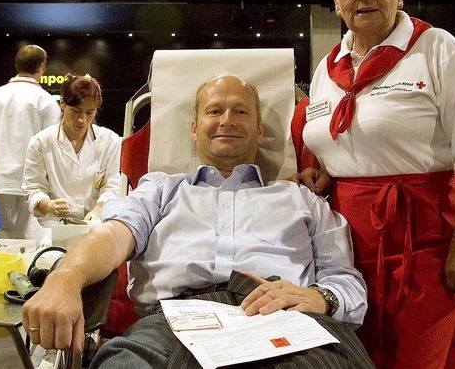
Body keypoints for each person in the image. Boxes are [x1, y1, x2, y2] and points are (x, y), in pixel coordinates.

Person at [22, 74, 373, 369]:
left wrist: (319, 297)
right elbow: (112, 235)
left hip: (284, 321)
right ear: (193, 128)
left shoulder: (302, 198)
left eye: (240, 111)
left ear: (259, 129)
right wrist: (64, 279)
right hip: (172, 324)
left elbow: (345, 279)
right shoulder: (160, 190)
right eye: (214, 111)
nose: (226, 120)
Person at [291, 0, 455, 368]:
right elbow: (338, 142)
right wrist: (324, 170)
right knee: (354, 358)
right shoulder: (327, 69)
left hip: (423, 241)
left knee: (415, 357)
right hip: (343, 246)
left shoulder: (438, 50)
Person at [0, 44, 60, 238]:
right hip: (35, 181)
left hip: (3, 178)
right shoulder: (45, 101)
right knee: (27, 234)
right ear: (42, 67)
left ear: (16, 65)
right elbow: (54, 144)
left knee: (9, 231)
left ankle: (5, 264)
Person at [23, 74, 121, 239]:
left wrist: (97, 210)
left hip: (95, 223)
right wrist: (50, 205)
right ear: (62, 103)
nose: (82, 120)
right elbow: (33, 188)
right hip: (51, 225)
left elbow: (113, 185)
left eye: (90, 112)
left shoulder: (109, 141)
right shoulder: (41, 142)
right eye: (76, 111)